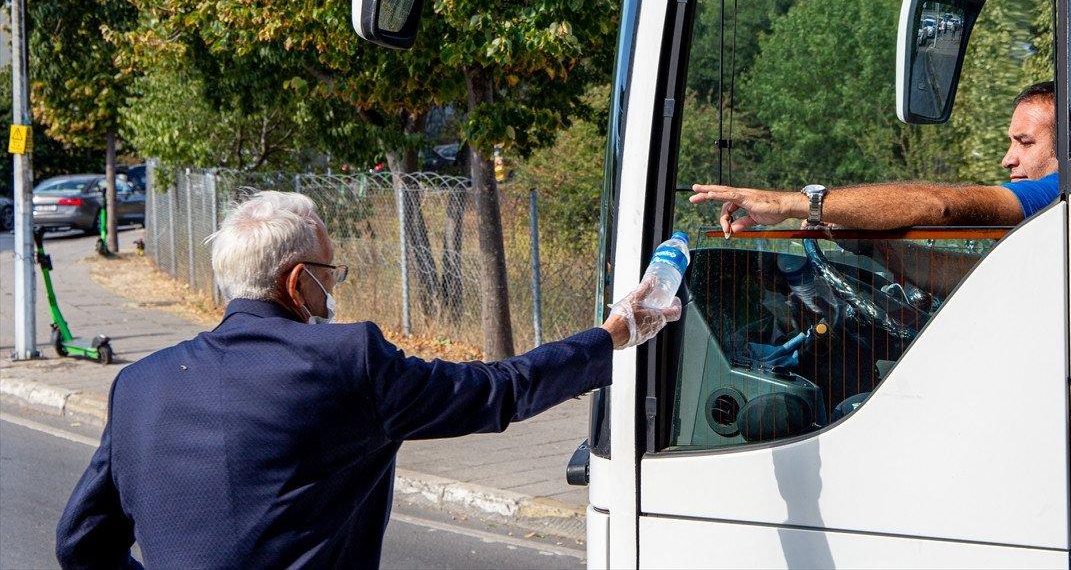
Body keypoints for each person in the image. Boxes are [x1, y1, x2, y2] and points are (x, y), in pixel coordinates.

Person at [56, 191, 676, 569]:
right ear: (299, 283)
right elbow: (499, 391)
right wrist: (612, 335)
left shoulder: (138, 385)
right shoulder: (346, 361)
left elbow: (80, 545)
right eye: (332, 273)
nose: (336, 290)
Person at [691, 82, 1059, 294]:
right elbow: (969, 277)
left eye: (1025, 143)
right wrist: (874, 246)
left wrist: (789, 204)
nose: (1007, 159)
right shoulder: (1053, 218)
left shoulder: (1059, 190)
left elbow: (938, 206)